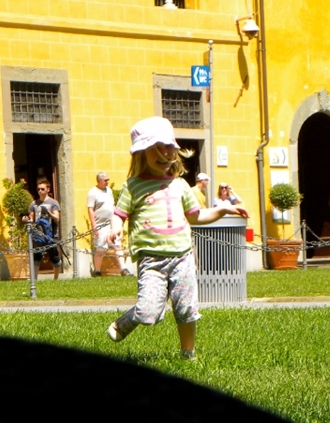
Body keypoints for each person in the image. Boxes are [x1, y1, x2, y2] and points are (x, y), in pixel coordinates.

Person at [106, 117, 248, 360]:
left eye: (169, 147)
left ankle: (188, 354)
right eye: (157, 148)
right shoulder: (134, 185)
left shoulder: (180, 185)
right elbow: (120, 213)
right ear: (143, 152)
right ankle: (130, 319)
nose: (164, 153)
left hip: (182, 256)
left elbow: (196, 216)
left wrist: (223, 210)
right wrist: (115, 227)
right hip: (152, 259)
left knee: (186, 308)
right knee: (149, 313)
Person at [87, 172, 129, 277]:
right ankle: (97, 271)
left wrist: (116, 222)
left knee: (117, 244)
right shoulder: (92, 193)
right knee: (100, 248)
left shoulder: (109, 191)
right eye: (105, 180)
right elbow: (90, 210)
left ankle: (123, 269)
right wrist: (94, 226)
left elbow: (113, 205)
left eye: (108, 179)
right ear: (99, 180)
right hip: (100, 224)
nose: (107, 182)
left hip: (111, 223)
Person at [25, 177, 62, 280]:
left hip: (51, 235)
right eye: (38, 189)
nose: (40, 191)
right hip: (38, 235)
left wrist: (50, 213)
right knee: (36, 257)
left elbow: (57, 218)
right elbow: (31, 217)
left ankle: (56, 279)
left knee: (54, 258)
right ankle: (35, 280)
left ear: (48, 189)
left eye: (42, 189)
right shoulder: (34, 204)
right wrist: (27, 219)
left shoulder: (53, 203)